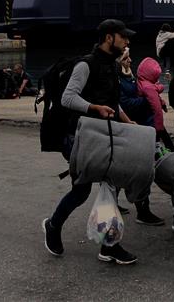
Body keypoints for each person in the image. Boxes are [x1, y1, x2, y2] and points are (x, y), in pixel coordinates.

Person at [42, 19, 140, 265]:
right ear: (109, 38)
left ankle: (109, 245)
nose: (127, 42)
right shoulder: (86, 65)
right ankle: (53, 226)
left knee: (111, 185)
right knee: (81, 191)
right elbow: (67, 98)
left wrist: (128, 121)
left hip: (105, 135)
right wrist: (93, 107)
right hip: (80, 137)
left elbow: (112, 101)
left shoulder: (111, 66)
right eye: (123, 37)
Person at [116, 48, 165, 226]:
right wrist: (149, 100)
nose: (130, 61)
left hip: (137, 128)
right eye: (126, 58)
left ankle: (116, 203)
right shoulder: (119, 80)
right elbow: (126, 104)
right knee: (140, 172)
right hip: (130, 129)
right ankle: (142, 212)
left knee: (125, 170)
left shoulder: (130, 77)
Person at [136, 57, 174, 151]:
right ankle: (168, 151)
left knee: (161, 138)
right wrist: (159, 126)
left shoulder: (141, 80)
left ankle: (169, 148)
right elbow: (156, 108)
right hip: (152, 119)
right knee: (158, 138)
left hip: (146, 116)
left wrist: (161, 102)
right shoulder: (149, 88)